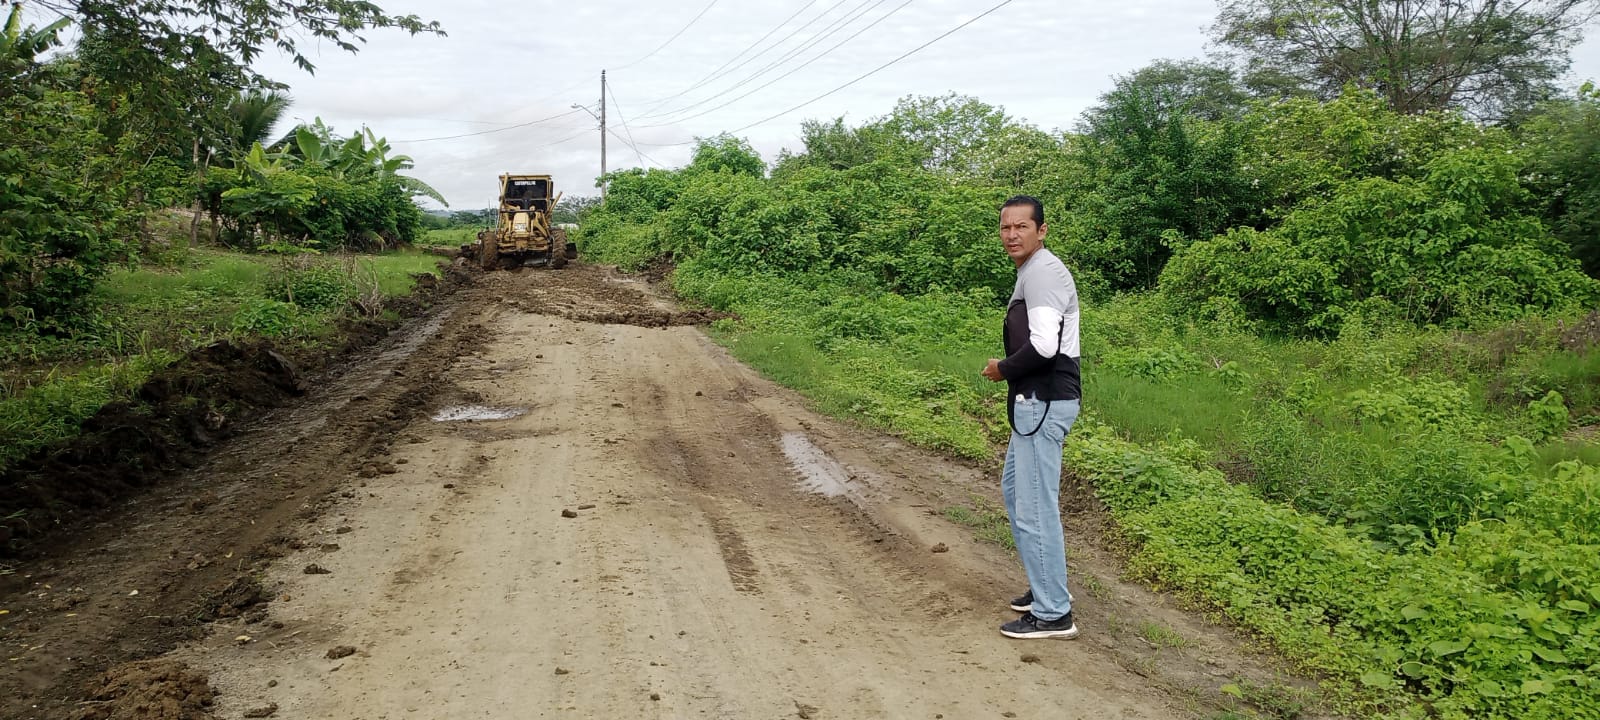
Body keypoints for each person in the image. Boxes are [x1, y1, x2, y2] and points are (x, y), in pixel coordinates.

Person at [980, 195, 1082, 640]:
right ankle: (1046, 585)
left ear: (1041, 231)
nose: (1012, 235)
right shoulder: (1033, 271)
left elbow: (1043, 346)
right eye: (1006, 227)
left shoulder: (1042, 273)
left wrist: (1001, 369)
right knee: (1017, 494)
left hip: (1043, 401)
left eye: (1022, 226)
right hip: (1034, 402)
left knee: (1035, 508)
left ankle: (1054, 611)